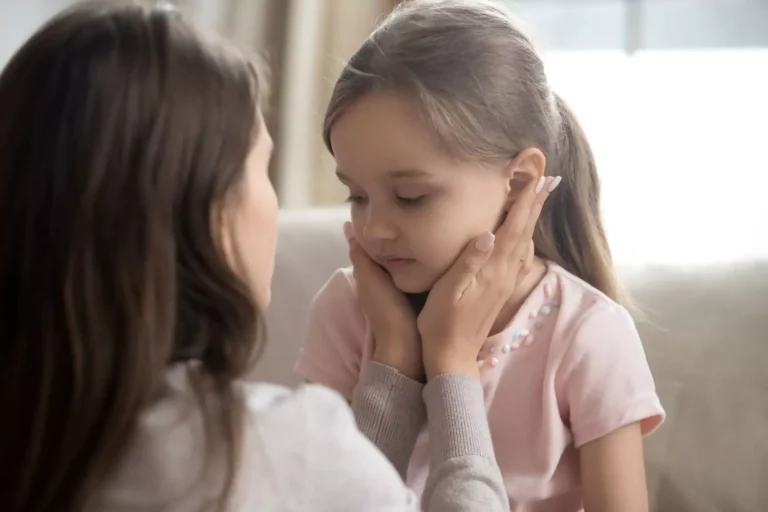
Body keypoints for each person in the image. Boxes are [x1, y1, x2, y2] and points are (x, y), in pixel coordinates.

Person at [0, 2, 556, 512]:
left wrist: (393, 358)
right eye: (260, 170)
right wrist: (451, 364)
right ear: (211, 215)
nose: (374, 227)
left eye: (409, 196)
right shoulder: (271, 450)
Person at [295, 0, 666, 511]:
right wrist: (393, 358)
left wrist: (448, 362)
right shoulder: (348, 311)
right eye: (357, 196)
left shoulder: (587, 335)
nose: (375, 228)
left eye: (411, 197)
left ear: (516, 183)